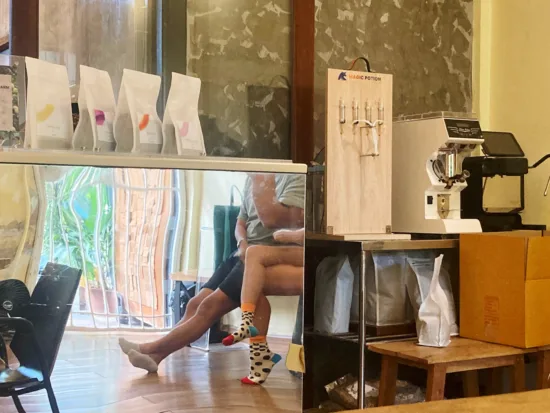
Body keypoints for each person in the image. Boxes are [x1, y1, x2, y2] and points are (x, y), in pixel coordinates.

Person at [118, 173, 305, 373]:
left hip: (263, 257)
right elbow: (240, 223)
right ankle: (157, 356)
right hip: (243, 253)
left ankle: (150, 348)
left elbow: (274, 219)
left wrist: (261, 181)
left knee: (209, 306)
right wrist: (242, 243)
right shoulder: (251, 180)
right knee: (194, 303)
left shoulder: (292, 179)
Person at [222, 228, 305, 385]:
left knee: (253, 276)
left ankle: (258, 354)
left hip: (314, 249)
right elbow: (240, 223)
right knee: (253, 266)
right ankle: (258, 354)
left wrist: (292, 235)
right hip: (299, 248)